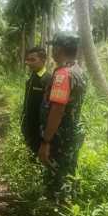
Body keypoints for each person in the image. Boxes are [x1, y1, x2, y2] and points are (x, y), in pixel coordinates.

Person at [38, 32, 88, 202]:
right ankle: (67, 211)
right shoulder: (78, 71)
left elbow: (57, 110)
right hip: (71, 134)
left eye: (53, 47)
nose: (52, 50)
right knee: (68, 173)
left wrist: (46, 142)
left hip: (59, 137)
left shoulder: (63, 75)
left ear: (59, 49)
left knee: (56, 178)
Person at [21, 47, 52, 156]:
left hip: (40, 131)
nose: (29, 63)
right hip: (29, 128)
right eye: (28, 60)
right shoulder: (31, 78)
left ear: (43, 60)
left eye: (33, 60)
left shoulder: (48, 80)